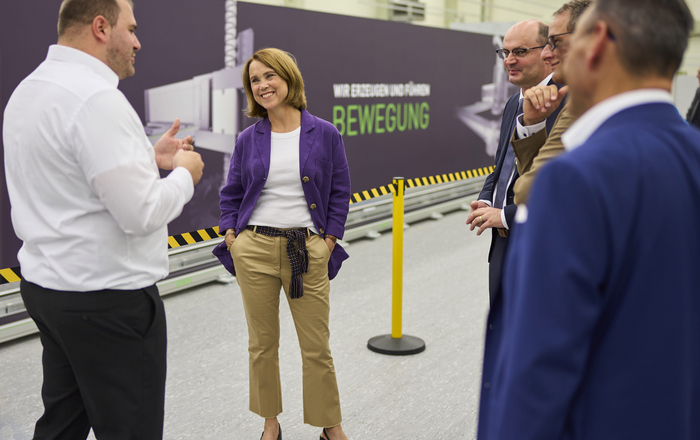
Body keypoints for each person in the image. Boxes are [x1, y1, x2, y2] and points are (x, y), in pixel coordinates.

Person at [479, 0, 699, 439]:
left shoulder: (576, 179)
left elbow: (538, 364)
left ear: (596, 43)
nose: (547, 56)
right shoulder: (690, 155)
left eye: (557, 43)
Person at [2, 0, 205, 438]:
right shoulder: (96, 99)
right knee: (131, 429)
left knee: (62, 422)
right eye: (130, 29)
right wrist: (185, 175)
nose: (137, 41)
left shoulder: (30, 89)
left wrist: (146, 158)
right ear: (100, 27)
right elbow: (142, 212)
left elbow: (69, 175)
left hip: (50, 293)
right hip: (108, 306)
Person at [212, 48, 351, 440]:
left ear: (289, 78)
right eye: (255, 80)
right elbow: (232, 192)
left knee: (316, 347)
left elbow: (340, 191)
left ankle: (330, 426)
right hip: (254, 248)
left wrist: (327, 241)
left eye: (269, 76)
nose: (262, 85)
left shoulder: (323, 132)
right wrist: (231, 236)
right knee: (262, 344)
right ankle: (270, 422)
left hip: (307, 251)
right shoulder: (248, 138)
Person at [466, 19, 561, 305]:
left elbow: (556, 185)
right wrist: (486, 201)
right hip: (503, 243)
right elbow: (503, 167)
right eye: (505, 52)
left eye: (519, 51)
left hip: (541, 246)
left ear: (547, 53)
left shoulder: (566, 105)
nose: (509, 60)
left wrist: (506, 215)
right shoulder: (513, 103)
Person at [510, 0, 592, 205]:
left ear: (593, 40)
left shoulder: (581, 109)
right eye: (506, 52)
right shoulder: (521, 104)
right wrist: (533, 123)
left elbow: (528, 192)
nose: (546, 55)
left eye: (555, 42)